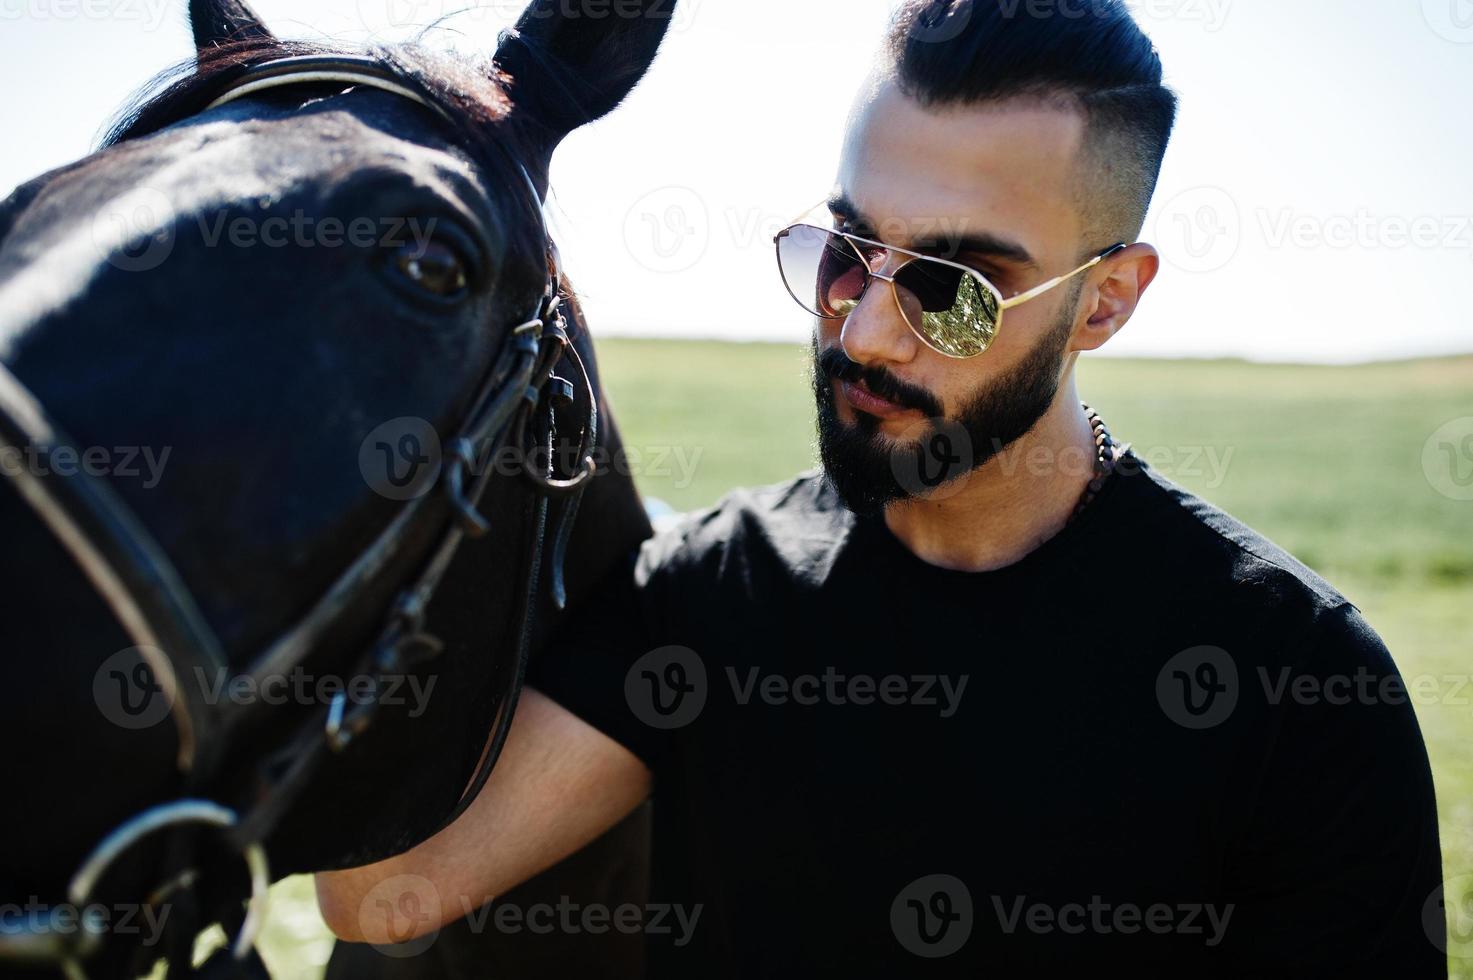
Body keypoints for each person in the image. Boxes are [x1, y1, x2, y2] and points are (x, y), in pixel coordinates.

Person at [317, 1, 1446, 974]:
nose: (862, 331)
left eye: (952, 288)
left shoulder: (1299, 687)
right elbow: (383, 895)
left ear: (1104, 301)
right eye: (847, 253)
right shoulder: (706, 592)